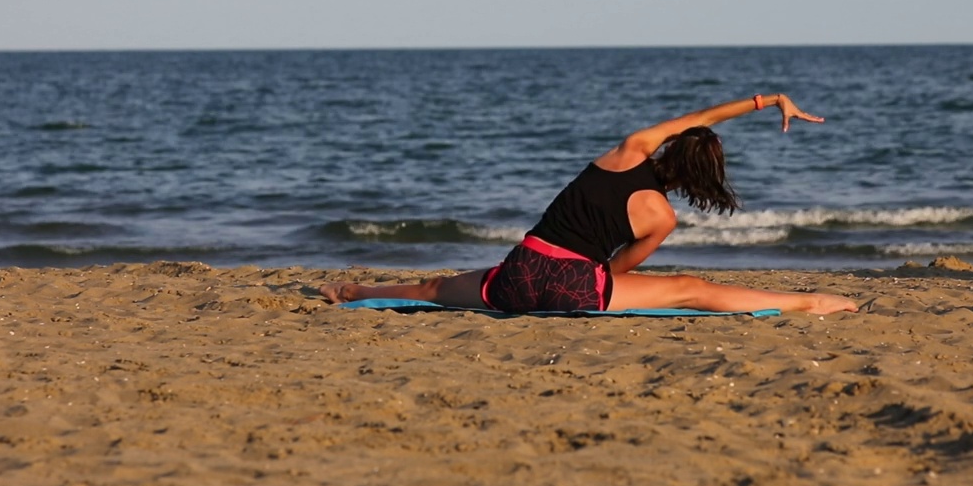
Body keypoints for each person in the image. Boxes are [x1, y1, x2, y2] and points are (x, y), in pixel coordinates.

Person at [320, 93, 858, 315]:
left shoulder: (630, 150)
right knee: (690, 290)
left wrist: (766, 100)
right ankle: (809, 302)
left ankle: (355, 290)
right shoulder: (662, 217)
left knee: (435, 289)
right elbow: (613, 269)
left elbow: (700, 118)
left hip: (519, 275)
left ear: (672, 146)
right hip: (577, 288)